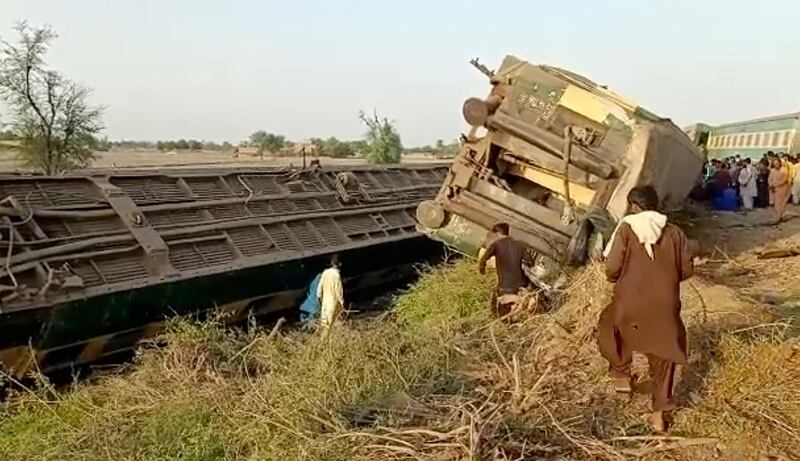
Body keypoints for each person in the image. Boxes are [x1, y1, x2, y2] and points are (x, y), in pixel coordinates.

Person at [598, 186, 694, 433]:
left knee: (610, 326)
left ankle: (621, 375)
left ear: (633, 205)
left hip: (629, 302)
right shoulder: (675, 232)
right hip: (665, 305)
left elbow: (611, 269)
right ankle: (660, 412)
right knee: (665, 351)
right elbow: (686, 270)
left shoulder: (627, 228)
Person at [478, 222, 530, 319]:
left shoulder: (496, 245)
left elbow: (483, 260)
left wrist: (482, 270)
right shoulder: (519, 244)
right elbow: (530, 261)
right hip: (521, 283)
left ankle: (505, 317)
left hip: (505, 287)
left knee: (496, 310)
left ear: (498, 234)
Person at [317, 255, 344, 330]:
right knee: (332, 324)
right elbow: (339, 291)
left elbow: (320, 287)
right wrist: (342, 303)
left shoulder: (325, 272)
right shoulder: (337, 275)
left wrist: (319, 297)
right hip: (333, 303)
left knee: (324, 324)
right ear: (340, 264)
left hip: (325, 302)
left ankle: (323, 340)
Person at [768, 158, 791, 222]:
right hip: (773, 190)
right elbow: (769, 179)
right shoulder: (772, 171)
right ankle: (779, 216)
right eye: (774, 164)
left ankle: (778, 217)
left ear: (780, 163)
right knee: (775, 204)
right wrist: (770, 185)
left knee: (780, 204)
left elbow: (784, 180)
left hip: (782, 189)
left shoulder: (784, 170)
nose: (776, 165)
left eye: (777, 163)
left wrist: (775, 185)